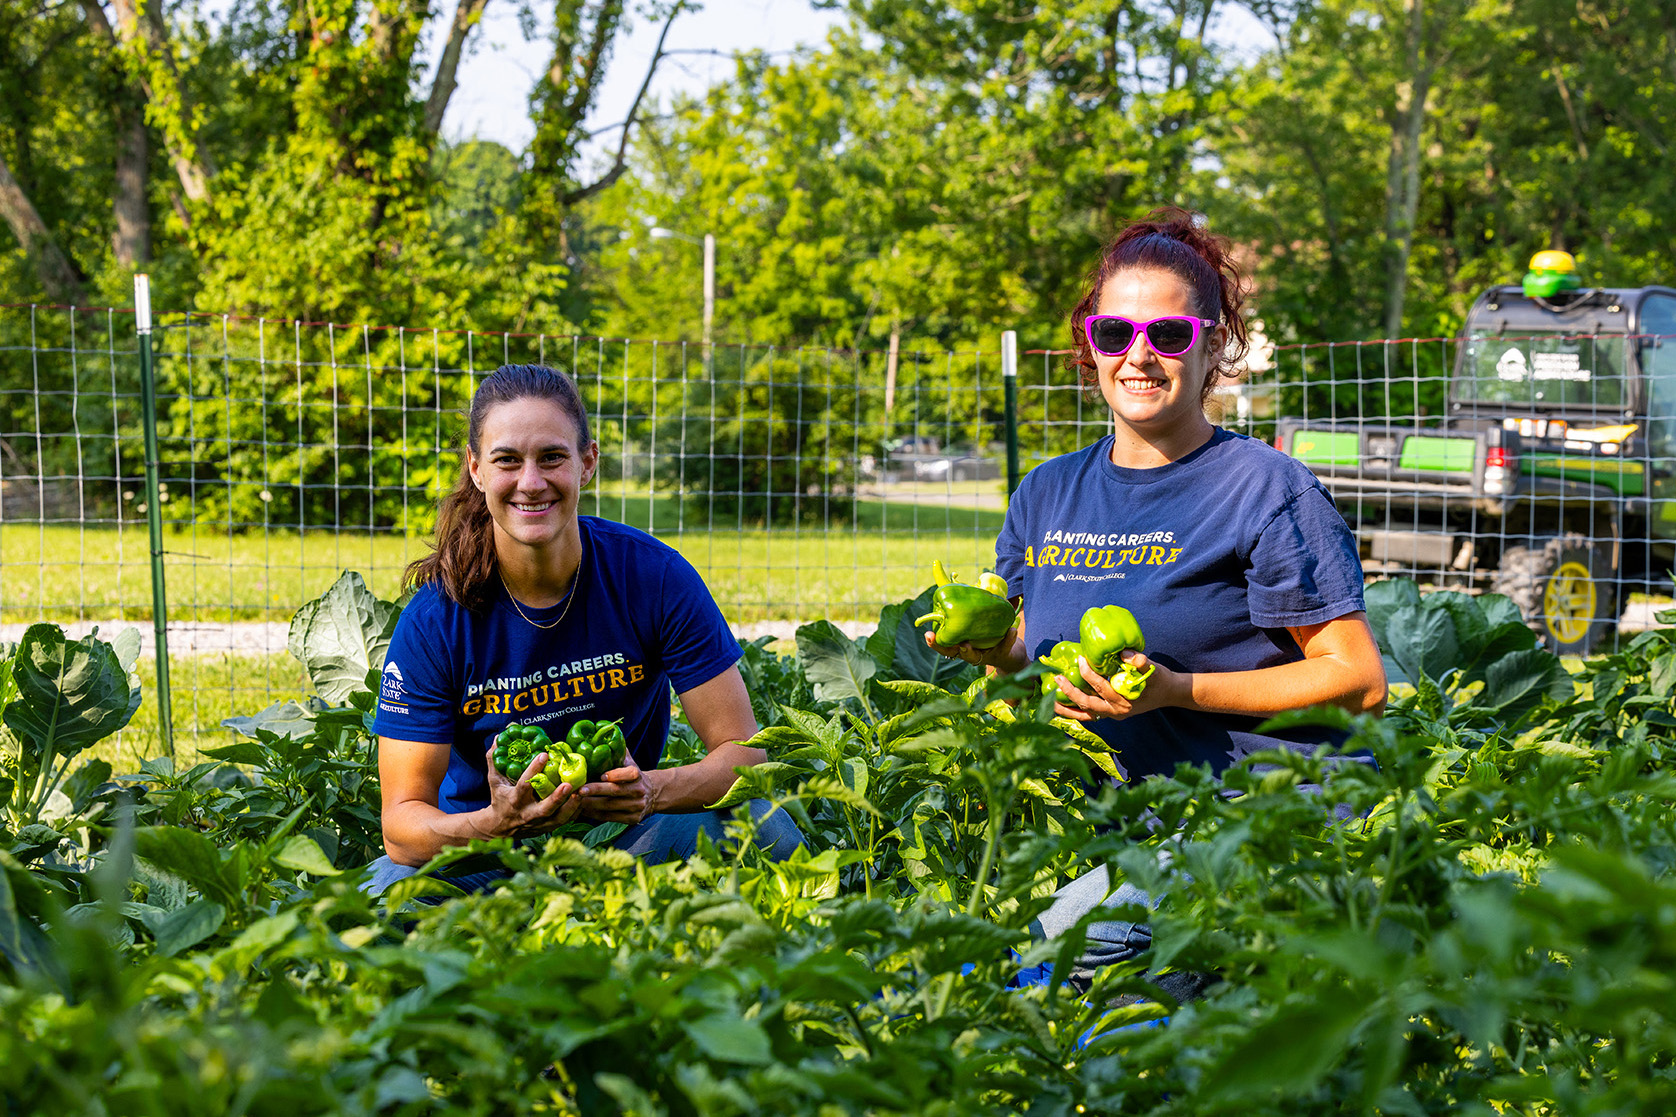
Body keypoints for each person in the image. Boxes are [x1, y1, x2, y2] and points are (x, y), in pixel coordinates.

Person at [927, 206, 1387, 988]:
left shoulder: (1264, 489)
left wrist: (1178, 690)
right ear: (1091, 345)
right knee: (964, 962)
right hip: (1135, 828)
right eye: (1115, 334)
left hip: (1267, 813)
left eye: (1168, 335)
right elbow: (1034, 649)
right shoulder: (1046, 495)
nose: (1139, 355)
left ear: (1211, 348)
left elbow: (1360, 681)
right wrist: (996, 650)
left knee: (1036, 971)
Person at [365, 364, 802, 894]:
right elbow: (403, 829)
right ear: (477, 471)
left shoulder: (652, 577)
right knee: (377, 898)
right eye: (508, 461)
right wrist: (495, 823)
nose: (531, 482)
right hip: (484, 853)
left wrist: (651, 791)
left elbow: (745, 755)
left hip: (624, 838)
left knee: (764, 825)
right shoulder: (435, 621)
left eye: (552, 457)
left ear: (587, 462)